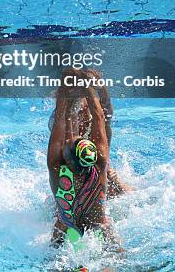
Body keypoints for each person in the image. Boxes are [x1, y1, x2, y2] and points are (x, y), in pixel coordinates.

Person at [47, 69, 121, 249]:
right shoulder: (100, 164)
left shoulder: (56, 170)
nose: (74, 136)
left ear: (67, 158)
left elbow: (59, 119)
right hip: (101, 230)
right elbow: (100, 117)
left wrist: (66, 83)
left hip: (67, 232)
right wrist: (88, 86)